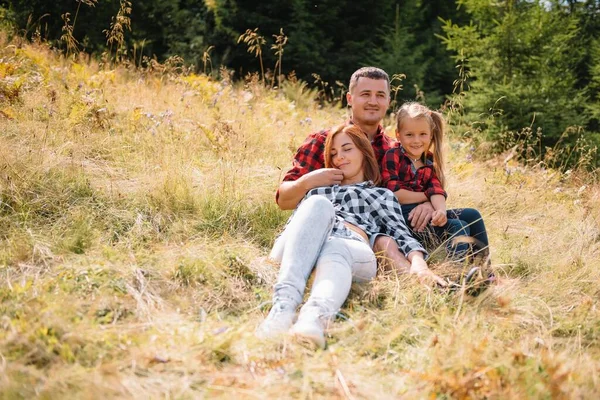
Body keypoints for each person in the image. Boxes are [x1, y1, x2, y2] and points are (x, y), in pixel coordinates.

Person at [257, 124, 442, 349]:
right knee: (318, 204)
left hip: (350, 248)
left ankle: (314, 319)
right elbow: (292, 214)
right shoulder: (317, 191)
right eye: (333, 153)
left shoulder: (381, 195)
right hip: (299, 247)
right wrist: (310, 183)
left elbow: (401, 234)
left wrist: (419, 263)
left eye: (347, 149)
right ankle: (282, 308)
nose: (339, 158)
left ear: (364, 152)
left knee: (336, 247)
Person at [276, 67, 435, 272]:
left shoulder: (397, 149)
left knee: (466, 218)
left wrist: (430, 202)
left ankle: (475, 281)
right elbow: (283, 200)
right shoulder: (325, 141)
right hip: (347, 230)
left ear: (388, 101)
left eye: (380, 95)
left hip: (400, 222)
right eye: (365, 94)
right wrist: (308, 182)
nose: (373, 101)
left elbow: (429, 180)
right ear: (350, 98)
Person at [381, 102, 490, 265]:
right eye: (409, 134)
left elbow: (436, 190)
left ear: (431, 135)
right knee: (458, 226)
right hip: (403, 219)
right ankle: (454, 275)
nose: (416, 140)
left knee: (472, 215)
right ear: (398, 135)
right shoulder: (393, 155)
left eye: (423, 134)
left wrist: (440, 211)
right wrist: (426, 197)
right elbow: (395, 193)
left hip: (425, 215)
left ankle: (484, 271)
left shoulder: (428, 160)